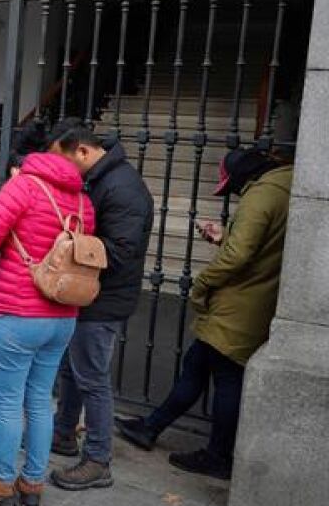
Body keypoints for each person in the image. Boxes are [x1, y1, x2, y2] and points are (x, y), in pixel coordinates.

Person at [116, 148, 292, 481]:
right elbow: (260, 245)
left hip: (239, 305)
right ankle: (151, 428)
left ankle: (218, 455)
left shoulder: (260, 196)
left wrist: (204, 283)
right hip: (253, 301)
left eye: (232, 186)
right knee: (198, 364)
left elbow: (239, 256)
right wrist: (225, 237)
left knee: (225, 377)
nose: (233, 193)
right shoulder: (286, 187)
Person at [0, 150, 95, 506]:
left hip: (19, 310)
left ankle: (1, 483)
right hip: (63, 315)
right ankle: (32, 484)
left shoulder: (23, 186)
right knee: (39, 399)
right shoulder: (82, 200)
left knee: (8, 402)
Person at [42, 119, 154, 491]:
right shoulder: (101, 179)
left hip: (104, 297)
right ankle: (62, 433)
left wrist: (67, 246)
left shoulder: (123, 188)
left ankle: (97, 459)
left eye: (62, 161)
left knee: (92, 378)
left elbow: (120, 251)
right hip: (87, 292)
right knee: (72, 369)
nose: (59, 169)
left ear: (83, 151)